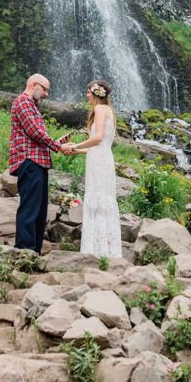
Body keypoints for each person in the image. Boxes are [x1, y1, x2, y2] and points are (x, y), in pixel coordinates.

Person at [9, 74, 73, 253]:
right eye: (45, 89)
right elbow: (35, 132)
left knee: (39, 211)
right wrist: (58, 146)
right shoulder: (23, 101)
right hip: (29, 162)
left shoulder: (32, 106)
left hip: (38, 163)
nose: (46, 94)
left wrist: (56, 142)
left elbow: (35, 137)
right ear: (34, 85)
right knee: (30, 209)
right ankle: (24, 252)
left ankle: (33, 252)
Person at [67, 80, 122, 258]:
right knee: (103, 199)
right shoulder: (109, 111)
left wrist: (76, 144)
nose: (86, 95)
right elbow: (101, 145)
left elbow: (97, 138)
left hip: (99, 161)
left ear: (97, 93)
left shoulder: (99, 109)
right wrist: (78, 150)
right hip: (103, 157)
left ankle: (95, 250)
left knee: (98, 197)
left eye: (88, 91)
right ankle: (108, 248)